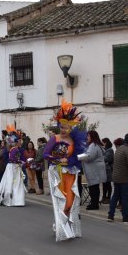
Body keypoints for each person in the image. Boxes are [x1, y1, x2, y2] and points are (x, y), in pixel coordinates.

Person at [43, 100, 87, 241]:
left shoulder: (74, 142)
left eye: (66, 128)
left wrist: (69, 160)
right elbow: (45, 154)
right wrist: (56, 159)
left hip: (70, 173)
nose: (63, 130)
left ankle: (63, 222)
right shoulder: (54, 139)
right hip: (56, 173)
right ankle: (61, 224)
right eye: (62, 127)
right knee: (60, 200)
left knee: (70, 201)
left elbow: (77, 157)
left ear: (71, 129)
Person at [0, 130, 26, 206]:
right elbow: (12, 159)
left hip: (15, 168)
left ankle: (16, 200)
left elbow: (18, 158)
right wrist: (20, 162)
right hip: (12, 167)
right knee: (10, 182)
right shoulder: (13, 149)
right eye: (18, 141)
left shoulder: (16, 149)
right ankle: (10, 199)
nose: (19, 142)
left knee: (16, 183)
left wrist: (22, 162)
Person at [81, 130, 107, 210]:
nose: (87, 138)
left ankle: (94, 204)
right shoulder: (96, 145)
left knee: (93, 188)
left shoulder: (93, 145)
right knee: (94, 187)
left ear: (92, 136)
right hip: (95, 170)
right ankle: (94, 203)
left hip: (94, 170)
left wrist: (79, 157)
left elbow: (89, 157)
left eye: (88, 136)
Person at [101, 138, 114, 203]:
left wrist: (99, 157)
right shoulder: (105, 149)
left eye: (102, 142)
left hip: (108, 169)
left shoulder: (110, 150)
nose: (101, 144)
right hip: (104, 169)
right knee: (104, 184)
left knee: (108, 184)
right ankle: (104, 197)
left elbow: (106, 158)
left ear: (105, 143)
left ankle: (108, 198)